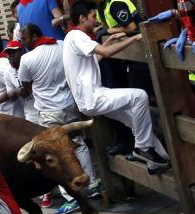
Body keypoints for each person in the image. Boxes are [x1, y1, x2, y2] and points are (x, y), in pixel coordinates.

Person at [63, 0, 170, 174]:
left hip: (90, 98)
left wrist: (110, 40)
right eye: (92, 16)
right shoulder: (76, 36)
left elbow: (94, 59)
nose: (96, 20)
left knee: (135, 122)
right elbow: (104, 54)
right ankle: (142, 148)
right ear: (82, 18)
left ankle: (159, 160)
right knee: (140, 96)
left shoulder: (71, 37)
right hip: (93, 97)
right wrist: (134, 37)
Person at [19, 23, 101, 214]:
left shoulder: (28, 59)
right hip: (69, 104)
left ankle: (71, 196)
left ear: (33, 36)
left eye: (25, 39)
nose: (24, 42)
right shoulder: (61, 45)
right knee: (78, 143)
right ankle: (93, 183)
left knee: (55, 153)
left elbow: (26, 85)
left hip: (48, 112)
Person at [4, 40, 38, 123]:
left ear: (21, 51)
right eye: (8, 53)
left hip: (44, 107)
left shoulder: (30, 63)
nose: (10, 55)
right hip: (30, 113)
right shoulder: (7, 72)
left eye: (13, 51)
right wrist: (17, 92)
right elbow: (11, 96)